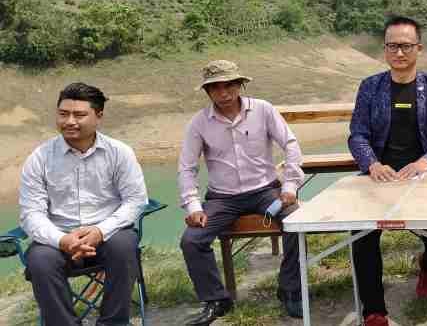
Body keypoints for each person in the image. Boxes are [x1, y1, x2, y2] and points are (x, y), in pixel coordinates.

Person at [348, 16, 427, 326]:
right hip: (379, 177)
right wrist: (371, 163)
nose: (399, 52)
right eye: (393, 46)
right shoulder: (370, 87)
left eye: (406, 46)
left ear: (419, 48)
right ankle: (373, 310)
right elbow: (357, 134)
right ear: (384, 50)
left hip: (424, 177)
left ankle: (426, 265)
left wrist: (426, 162)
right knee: (361, 234)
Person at [178, 60, 305, 325]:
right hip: (222, 198)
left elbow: (290, 145)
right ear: (207, 91)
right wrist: (193, 207)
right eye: (215, 88)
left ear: (240, 85)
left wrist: (290, 186)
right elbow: (187, 168)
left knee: (298, 221)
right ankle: (216, 299)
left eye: (230, 86)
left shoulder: (263, 110)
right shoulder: (199, 123)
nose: (223, 93)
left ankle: (290, 288)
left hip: (265, 190)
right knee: (191, 240)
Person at [19, 82, 148, 326]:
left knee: (124, 246)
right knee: (40, 261)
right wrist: (62, 240)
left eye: (79, 115)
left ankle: (113, 322)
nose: (69, 121)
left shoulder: (119, 152)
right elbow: (30, 214)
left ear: (98, 116)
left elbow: (135, 201)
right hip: (57, 238)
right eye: (63, 114)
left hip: (109, 233)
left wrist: (100, 231)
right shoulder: (39, 158)